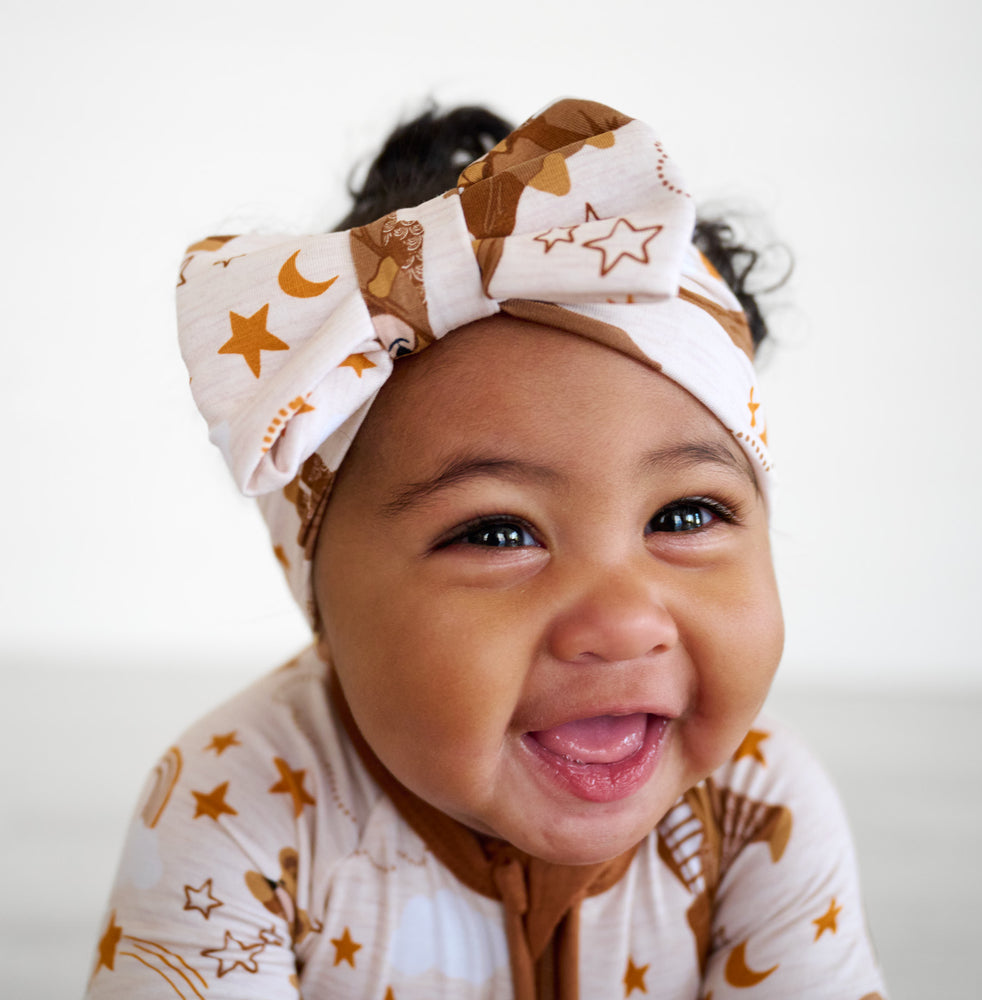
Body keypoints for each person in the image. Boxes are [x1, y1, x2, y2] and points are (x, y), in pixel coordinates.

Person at [85, 98, 888, 999]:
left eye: (685, 516)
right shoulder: (239, 813)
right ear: (321, 597)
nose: (621, 622)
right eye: (498, 532)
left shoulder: (758, 814)